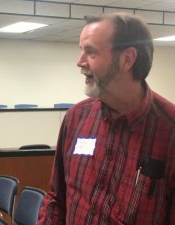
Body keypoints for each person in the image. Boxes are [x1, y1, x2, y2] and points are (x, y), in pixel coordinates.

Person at [38, 12, 175, 225]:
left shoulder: (169, 129)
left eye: (90, 52)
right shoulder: (76, 118)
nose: (79, 62)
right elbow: (57, 199)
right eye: (81, 51)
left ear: (127, 59)